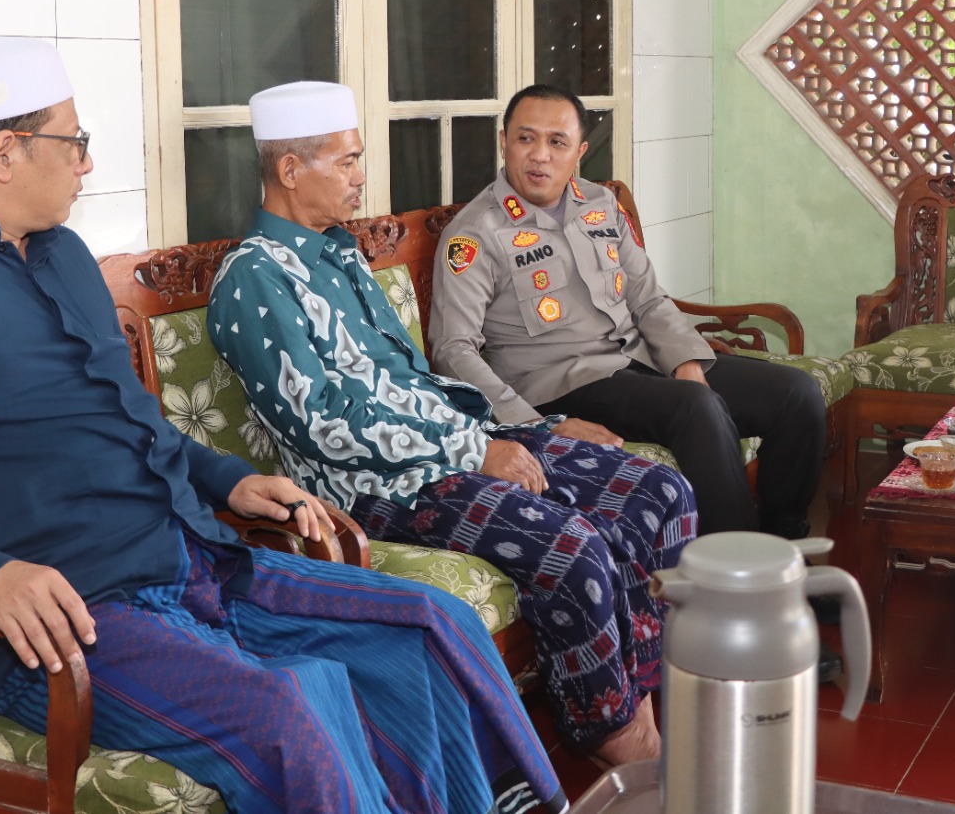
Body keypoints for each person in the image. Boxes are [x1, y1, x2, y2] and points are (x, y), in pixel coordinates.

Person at [0, 40, 566, 814]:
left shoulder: (61, 256)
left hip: (191, 557)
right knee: (289, 711)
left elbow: (129, 420)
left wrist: (230, 480)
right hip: (62, 622)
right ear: (6, 152)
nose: (87, 163)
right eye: (74, 141)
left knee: (431, 621)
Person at [208, 82, 697, 767]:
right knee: (573, 546)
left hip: (450, 438)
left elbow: (415, 382)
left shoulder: (339, 251)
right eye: (347, 161)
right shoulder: (256, 278)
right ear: (290, 170)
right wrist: (474, 449)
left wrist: (531, 428)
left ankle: (641, 690)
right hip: (374, 486)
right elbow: (324, 426)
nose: (361, 176)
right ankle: (617, 734)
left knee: (659, 492)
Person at [427, 85, 829, 542]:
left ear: (579, 151)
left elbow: (648, 298)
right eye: (525, 138)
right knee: (695, 407)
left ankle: (785, 543)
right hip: (561, 385)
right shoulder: (476, 233)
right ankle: (735, 565)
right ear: (504, 142)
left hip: (638, 362)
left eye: (557, 142)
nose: (539, 155)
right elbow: (453, 349)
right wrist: (537, 426)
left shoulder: (599, 205)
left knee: (796, 395)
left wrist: (686, 362)